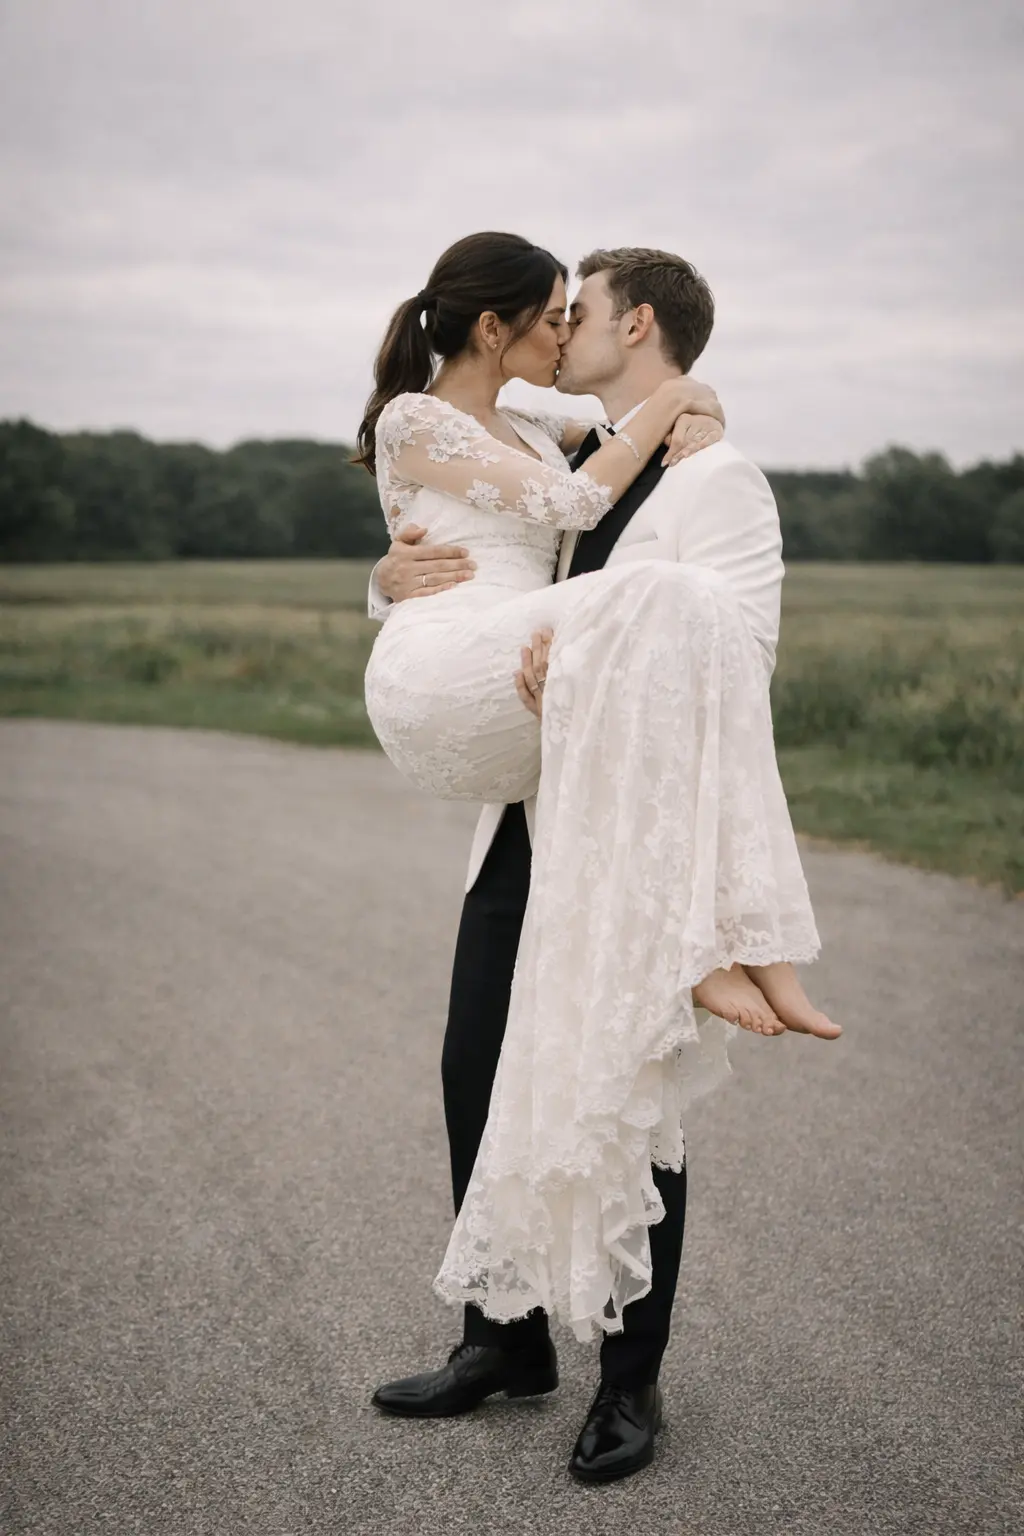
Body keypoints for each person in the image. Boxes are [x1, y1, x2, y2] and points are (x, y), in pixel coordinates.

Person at [359, 234, 839, 1482]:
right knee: (476, 1064)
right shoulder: (564, 449)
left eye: (583, 313)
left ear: (634, 329)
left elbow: (738, 646)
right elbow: (467, 544)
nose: (558, 332)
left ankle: (630, 1386)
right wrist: (384, 579)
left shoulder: (716, 476)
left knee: (628, 1097)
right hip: (524, 821)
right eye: (548, 313)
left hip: (630, 841)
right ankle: (502, 1342)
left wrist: (589, 650)